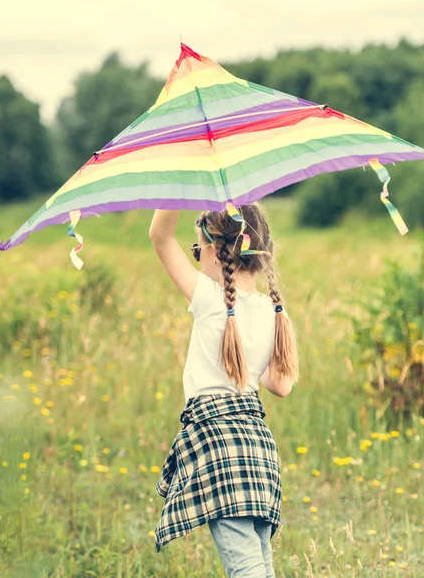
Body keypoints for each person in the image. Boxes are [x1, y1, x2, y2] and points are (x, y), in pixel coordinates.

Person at [148, 202, 299, 577]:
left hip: (219, 446)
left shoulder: (209, 299)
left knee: (247, 569)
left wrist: (174, 189)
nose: (196, 258)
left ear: (215, 251)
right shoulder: (273, 310)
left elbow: (160, 237)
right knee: (260, 564)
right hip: (258, 449)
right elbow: (281, 386)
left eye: (196, 250)